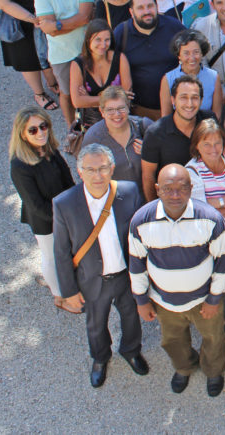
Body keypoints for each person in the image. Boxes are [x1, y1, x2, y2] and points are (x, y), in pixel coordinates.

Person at [129, 164, 225, 397]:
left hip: (203, 298)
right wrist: (141, 300)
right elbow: (136, 263)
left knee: (214, 338)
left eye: (182, 188)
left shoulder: (211, 219)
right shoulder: (141, 221)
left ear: (191, 188)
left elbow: (223, 262)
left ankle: (213, 370)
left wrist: (214, 299)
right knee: (172, 340)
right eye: (167, 189)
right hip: (164, 300)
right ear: (157, 189)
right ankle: (184, 367)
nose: (175, 195)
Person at [52, 144, 148, 387]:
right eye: (91, 169)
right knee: (96, 323)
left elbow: (143, 234)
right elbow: (61, 252)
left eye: (103, 168)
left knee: (131, 317)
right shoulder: (64, 204)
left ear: (112, 168)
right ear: (79, 171)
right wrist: (69, 292)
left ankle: (131, 350)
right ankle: (100, 357)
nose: (98, 175)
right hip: (92, 279)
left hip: (126, 275)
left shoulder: (129, 191)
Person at [9, 105, 77, 313]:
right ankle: (59, 296)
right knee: (50, 256)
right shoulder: (19, 166)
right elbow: (35, 204)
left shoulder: (50, 150)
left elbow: (68, 181)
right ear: (22, 134)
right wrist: (64, 218)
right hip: (45, 220)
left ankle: (66, 283)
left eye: (43, 126)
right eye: (33, 130)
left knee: (66, 252)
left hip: (64, 212)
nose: (40, 132)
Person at [35, 0, 95, 126]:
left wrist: (58, 24)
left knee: (90, 89)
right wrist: (76, 21)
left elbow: (85, 17)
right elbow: (49, 30)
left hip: (86, 47)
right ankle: (72, 129)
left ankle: (93, 124)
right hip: (61, 53)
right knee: (66, 94)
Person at [140, 74, 215, 200]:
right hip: (173, 200)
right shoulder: (155, 133)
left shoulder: (209, 121)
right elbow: (148, 177)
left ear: (201, 101)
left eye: (195, 98)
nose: (189, 104)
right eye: (183, 97)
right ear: (173, 100)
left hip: (209, 196)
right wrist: (154, 210)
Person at [82, 86, 150, 185]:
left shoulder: (143, 126)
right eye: (110, 110)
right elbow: (88, 176)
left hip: (149, 196)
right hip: (117, 198)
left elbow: (167, 155)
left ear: (128, 107)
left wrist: (151, 153)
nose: (117, 114)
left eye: (121, 108)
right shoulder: (93, 138)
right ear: (102, 111)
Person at [70, 20, 132, 129]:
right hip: (92, 125)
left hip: (119, 121)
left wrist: (90, 99)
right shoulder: (77, 64)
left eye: (107, 40)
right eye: (98, 39)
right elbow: (77, 101)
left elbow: (127, 96)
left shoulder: (120, 58)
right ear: (88, 39)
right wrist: (114, 98)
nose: (103, 45)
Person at [159, 29, 222, 117]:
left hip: (206, 128)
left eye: (196, 52)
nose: (191, 58)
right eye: (186, 53)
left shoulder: (213, 77)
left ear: (201, 53)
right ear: (179, 55)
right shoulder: (168, 79)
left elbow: (217, 115)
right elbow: (165, 117)